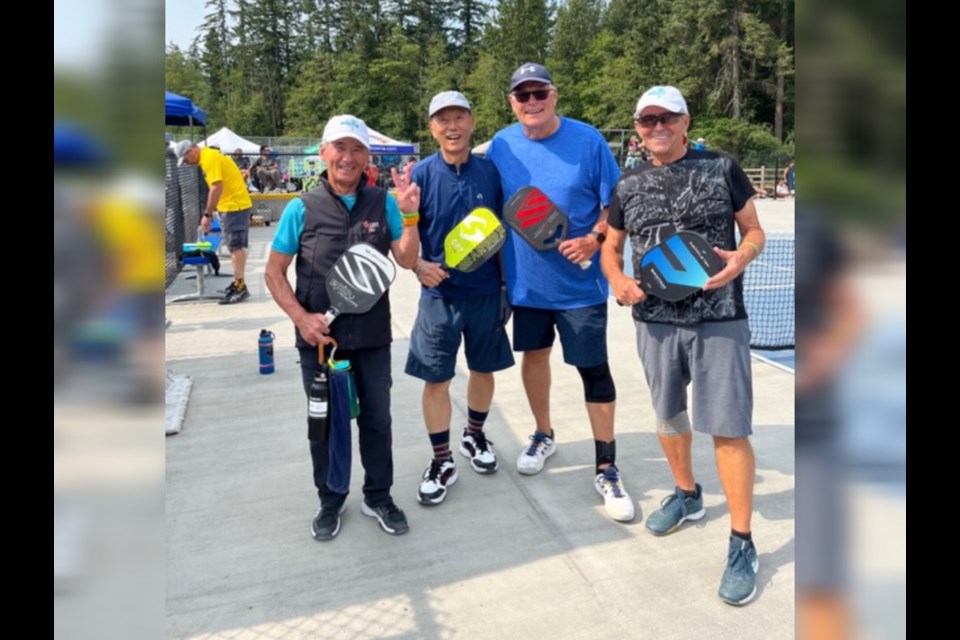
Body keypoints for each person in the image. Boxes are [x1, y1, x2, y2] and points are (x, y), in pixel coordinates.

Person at [600, 85, 766, 605]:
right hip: (654, 321)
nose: (656, 127)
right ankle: (688, 494)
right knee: (669, 416)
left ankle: (742, 543)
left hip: (719, 318)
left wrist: (739, 260)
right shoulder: (627, 183)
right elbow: (611, 245)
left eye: (666, 118)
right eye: (647, 120)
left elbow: (754, 230)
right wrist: (616, 282)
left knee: (728, 428)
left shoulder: (722, 167)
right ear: (638, 129)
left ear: (685, 120)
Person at [486, 63, 633, 523]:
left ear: (555, 94)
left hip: (580, 288)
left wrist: (595, 237)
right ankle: (543, 434)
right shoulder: (500, 146)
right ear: (512, 101)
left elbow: (617, 203)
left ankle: (606, 465)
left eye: (539, 92)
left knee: (593, 370)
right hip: (527, 287)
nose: (532, 101)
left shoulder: (588, 140)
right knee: (534, 359)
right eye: (522, 95)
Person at [263, 115, 421, 540]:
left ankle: (379, 496)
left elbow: (406, 260)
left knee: (376, 420)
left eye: (356, 149)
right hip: (319, 343)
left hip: (372, 337)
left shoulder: (382, 202)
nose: (347, 157)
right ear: (324, 151)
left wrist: (410, 217)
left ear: (367, 156)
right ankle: (330, 501)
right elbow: (275, 273)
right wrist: (301, 318)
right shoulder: (301, 208)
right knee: (325, 424)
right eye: (339, 148)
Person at [405, 91, 514, 506]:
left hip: (486, 294)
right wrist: (418, 266)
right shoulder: (420, 175)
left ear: (471, 122)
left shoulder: (491, 172)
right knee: (437, 379)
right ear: (432, 127)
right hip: (439, 297)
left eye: (459, 117)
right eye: (442, 119)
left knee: (484, 371)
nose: (452, 126)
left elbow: (501, 235)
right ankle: (441, 458)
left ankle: (474, 435)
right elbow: (403, 243)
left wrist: (506, 288)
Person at [173, 140, 254, 304]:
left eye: (186, 159)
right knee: (237, 247)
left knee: (235, 248)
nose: (187, 163)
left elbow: (216, 187)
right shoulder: (209, 156)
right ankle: (239, 282)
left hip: (234, 206)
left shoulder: (209, 158)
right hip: (234, 205)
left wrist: (207, 215)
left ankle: (240, 286)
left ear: (191, 151)